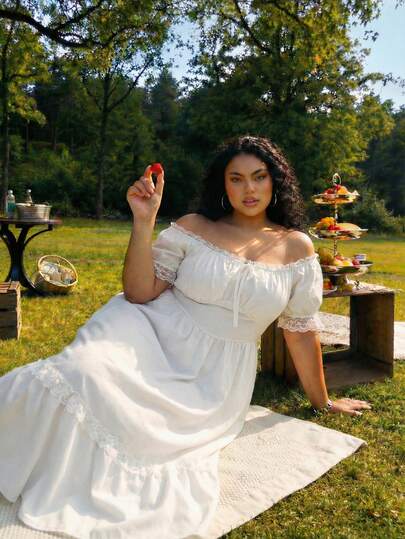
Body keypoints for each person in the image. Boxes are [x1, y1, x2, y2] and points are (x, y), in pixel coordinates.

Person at [0, 135, 371, 539]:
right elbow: (139, 292)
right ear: (223, 184)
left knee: (144, 432)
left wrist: (322, 401)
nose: (248, 189)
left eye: (259, 177)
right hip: (147, 330)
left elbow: (300, 332)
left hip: (215, 376)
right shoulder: (194, 228)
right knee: (81, 372)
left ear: (275, 181)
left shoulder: (296, 248)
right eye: (236, 178)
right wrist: (144, 221)